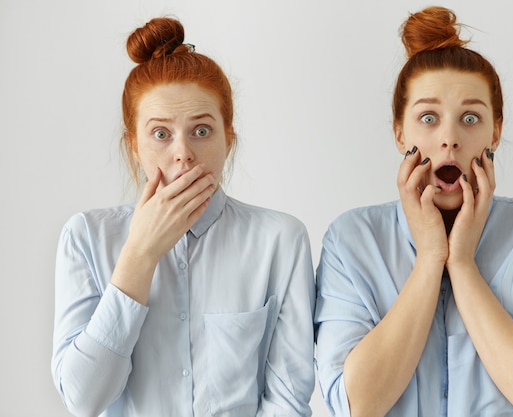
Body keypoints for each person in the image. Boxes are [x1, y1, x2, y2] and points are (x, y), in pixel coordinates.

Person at [314, 6, 513, 417]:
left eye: (470, 118)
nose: (449, 139)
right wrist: (431, 258)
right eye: (428, 118)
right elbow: (354, 406)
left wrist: (462, 263)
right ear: (399, 133)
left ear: (495, 132)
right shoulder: (351, 239)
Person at [51, 17, 315, 417]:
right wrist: (139, 253)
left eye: (202, 131)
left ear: (229, 139)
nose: (183, 153)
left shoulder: (280, 239)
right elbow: (83, 399)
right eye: (160, 133)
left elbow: (288, 399)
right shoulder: (86, 237)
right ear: (134, 145)